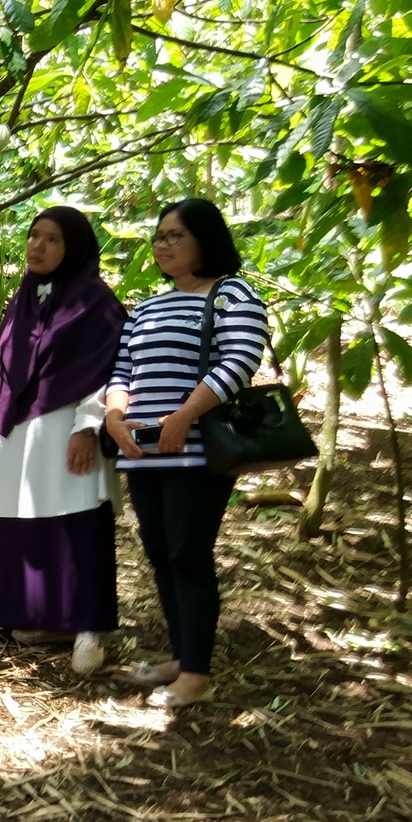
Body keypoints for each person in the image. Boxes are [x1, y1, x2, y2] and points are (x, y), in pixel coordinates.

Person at [103, 197, 269, 709]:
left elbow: (241, 358)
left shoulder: (231, 295)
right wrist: (113, 415)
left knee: (188, 553)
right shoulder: (148, 306)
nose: (162, 245)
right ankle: (182, 655)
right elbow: (122, 368)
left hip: (196, 450)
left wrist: (184, 416)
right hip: (143, 450)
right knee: (159, 552)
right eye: (159, 236)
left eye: (175, 235)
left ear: (206, 241)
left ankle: (196, 674)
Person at [0, 207, 126, 674]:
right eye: (33, 236)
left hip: (66, 429)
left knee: (78, 521)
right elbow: (0, 368)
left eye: (52, 239)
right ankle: (39, 616)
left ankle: (88, 626)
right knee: (26, 522)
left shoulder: (95, 301)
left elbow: (110, 369)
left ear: (74, 247)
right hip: (20, 432)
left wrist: (87, 426)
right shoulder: (23, 297)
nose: (37, 247)